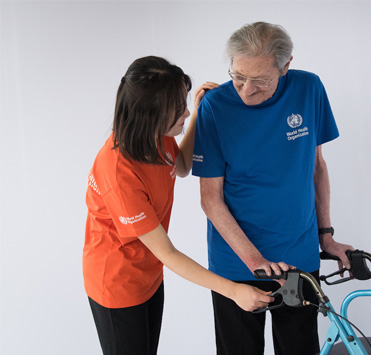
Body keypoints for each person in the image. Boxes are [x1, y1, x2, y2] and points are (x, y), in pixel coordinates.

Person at [83, 56, 274, 355]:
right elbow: (168, 252)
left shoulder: (155, 136)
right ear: (150, 115)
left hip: (148, 274)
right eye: (177, 110)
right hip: (117, 283)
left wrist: (197, 115)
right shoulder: (118, 172)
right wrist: (233, 290)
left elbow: (182, 165)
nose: (184, 111)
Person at [192, 22, 354, 354]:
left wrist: (326, 234)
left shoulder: (309, 88)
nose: (246, 90)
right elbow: (210, 199)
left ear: (285, 67)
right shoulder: (215, 106)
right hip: (236, 262)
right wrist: (255, 261)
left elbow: (316, 166)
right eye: (238, 76)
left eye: (260, 80)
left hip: (298, 255)